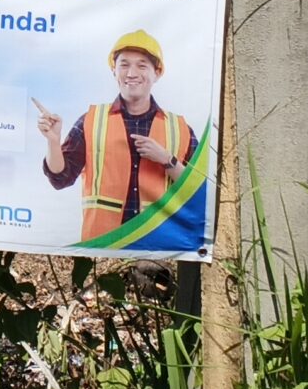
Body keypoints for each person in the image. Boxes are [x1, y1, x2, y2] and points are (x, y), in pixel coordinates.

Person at [33, 30, 206, 246]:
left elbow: (198, 192)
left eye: (142, 65)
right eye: (124, 65)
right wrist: (53, 141)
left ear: (157, 73)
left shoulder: (180, 129)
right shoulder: (91, 121)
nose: (132, 73)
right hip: (102, 248)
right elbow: (61, 179)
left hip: (156, 249)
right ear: (114, 71)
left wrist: (167, 160)